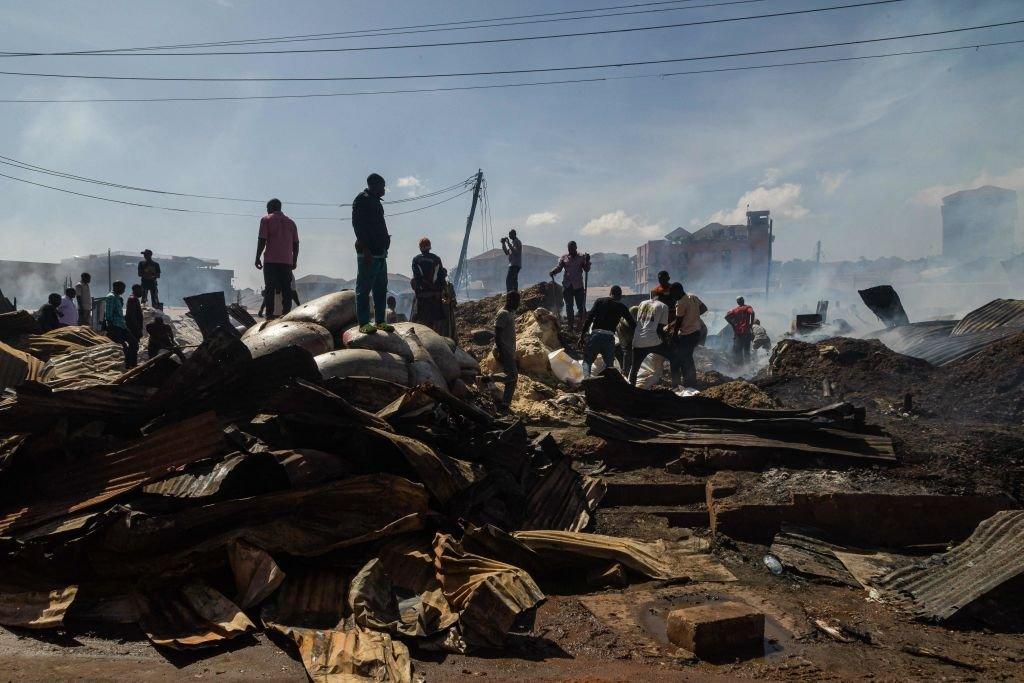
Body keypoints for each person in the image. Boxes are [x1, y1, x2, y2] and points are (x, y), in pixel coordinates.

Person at [352, 173, 393, 334]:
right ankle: (363, 323)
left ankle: (380, 321)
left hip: (380, 252)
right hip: (368, 252)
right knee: (364, 288)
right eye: (382, 186)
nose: (384, 189)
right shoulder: (362, 199)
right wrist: (366, 248)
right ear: (373, 185)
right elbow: (358, 225)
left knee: (381, 288)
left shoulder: (376, 201)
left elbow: (380, 224)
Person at [255, 198, 299, 319]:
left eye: (268, 208)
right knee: (287, 289)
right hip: (286, 262)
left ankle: (269, 316)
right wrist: (294, 260)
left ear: (270, 207)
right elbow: (296, 244)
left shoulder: (266, 220)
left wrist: (257, 257)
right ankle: (286, 315)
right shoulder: (291, 223)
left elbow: (262, 240)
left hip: (271, 261)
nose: (267, 210)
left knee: (269, 288)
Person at [579, 285, 635, 378]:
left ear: (610, 293)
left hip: (595, 336)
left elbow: (589, 319)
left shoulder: (599, 301)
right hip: (609, 338)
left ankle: (586, 380)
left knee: (587, 362)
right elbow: (632, 324)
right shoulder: (621, 306)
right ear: (620, 296)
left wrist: (582, 336)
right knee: (610, 367)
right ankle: (608, 386)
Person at [629, 291, 676, 387]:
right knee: (673, 358)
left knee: (634, 368)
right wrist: (667, 341)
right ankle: (675, 384)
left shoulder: (642, 303)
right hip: (653, 341)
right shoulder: (663, 306)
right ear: (662, 298)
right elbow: (660, 329)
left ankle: (631, 388)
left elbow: (640, 322)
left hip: (638, 340)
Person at [668, 282, 706, 387]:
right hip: (697, 332)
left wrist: (674, 336)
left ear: (678, 291)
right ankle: (690, 381)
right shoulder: (693, 296)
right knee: (688, 356)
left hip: (687, 334)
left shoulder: (680, 302)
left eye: (673, 293)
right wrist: (694, 316)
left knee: (683, 358)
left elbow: (679, 321)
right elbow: (704, 308)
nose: (672, 296)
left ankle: (689, 382)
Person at [550, 241, 591, 331]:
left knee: (581, 306)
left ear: (576, 248)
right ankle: (570, 326)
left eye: (572, 248)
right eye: (569, 248)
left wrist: (587, 261)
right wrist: (553, 271)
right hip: (568, 285)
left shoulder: (581, 257)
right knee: (569, 306)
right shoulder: (564, 258)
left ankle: (583, 326)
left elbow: (586, 269)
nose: (570, 250)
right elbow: (559, 268)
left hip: (578, 286)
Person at [410, 237, 445, 333]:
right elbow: (441, 277)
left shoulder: (416, 260)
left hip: (422, 297)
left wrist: (424, 287)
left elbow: (417, 278)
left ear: (420, 248)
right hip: (435, 297)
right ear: (429, 247)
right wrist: (437, 290)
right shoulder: (436, 259)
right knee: (436, 323)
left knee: (420, 323)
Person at [103, 281, 138, 368]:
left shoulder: (118, 297)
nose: (124, 290)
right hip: (115, 326)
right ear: (117, 287)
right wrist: (110, 326)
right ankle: (127, 365)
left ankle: (132, 364)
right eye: (122, 288)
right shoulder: (111, 297)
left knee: (134, 343)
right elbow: (108, 313)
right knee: (123, 347)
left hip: (121, 325)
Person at [494, 290, 520, 409]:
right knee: (512, 376)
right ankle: (487, 378)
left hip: (508, 350)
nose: (518, 304)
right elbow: (497, 334)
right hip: (504, 350)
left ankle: (505, 404)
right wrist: (500, 350)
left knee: (511, 379)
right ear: (510, 300)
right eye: (517, 301)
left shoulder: (509, 313)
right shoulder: (503, 314)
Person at [725, 296, 756, 364]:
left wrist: (733, 324)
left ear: (737, 302)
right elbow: (752, 313)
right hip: (747, 332)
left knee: (739, 350)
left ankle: (740, 367)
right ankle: (748, 366)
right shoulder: (747, 307)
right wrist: (752, 323)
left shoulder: (735, 310)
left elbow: (726, 317)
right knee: (747, 350)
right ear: (743, 300)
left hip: (738, 333)